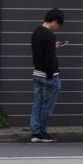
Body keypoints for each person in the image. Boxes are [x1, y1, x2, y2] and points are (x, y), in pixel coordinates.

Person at [30, 8, 65, 143]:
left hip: (37, 73)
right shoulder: (50, 35)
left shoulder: (36, 32)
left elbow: (41, 50)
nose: (57, 27)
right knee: (47, 106)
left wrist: (52, 46)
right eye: (58, 24)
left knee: (37, 104)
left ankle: (35, 132)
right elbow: (49, 59)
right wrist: (50, 75)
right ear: (55, 21)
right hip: (49, 75)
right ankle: (43, 132)